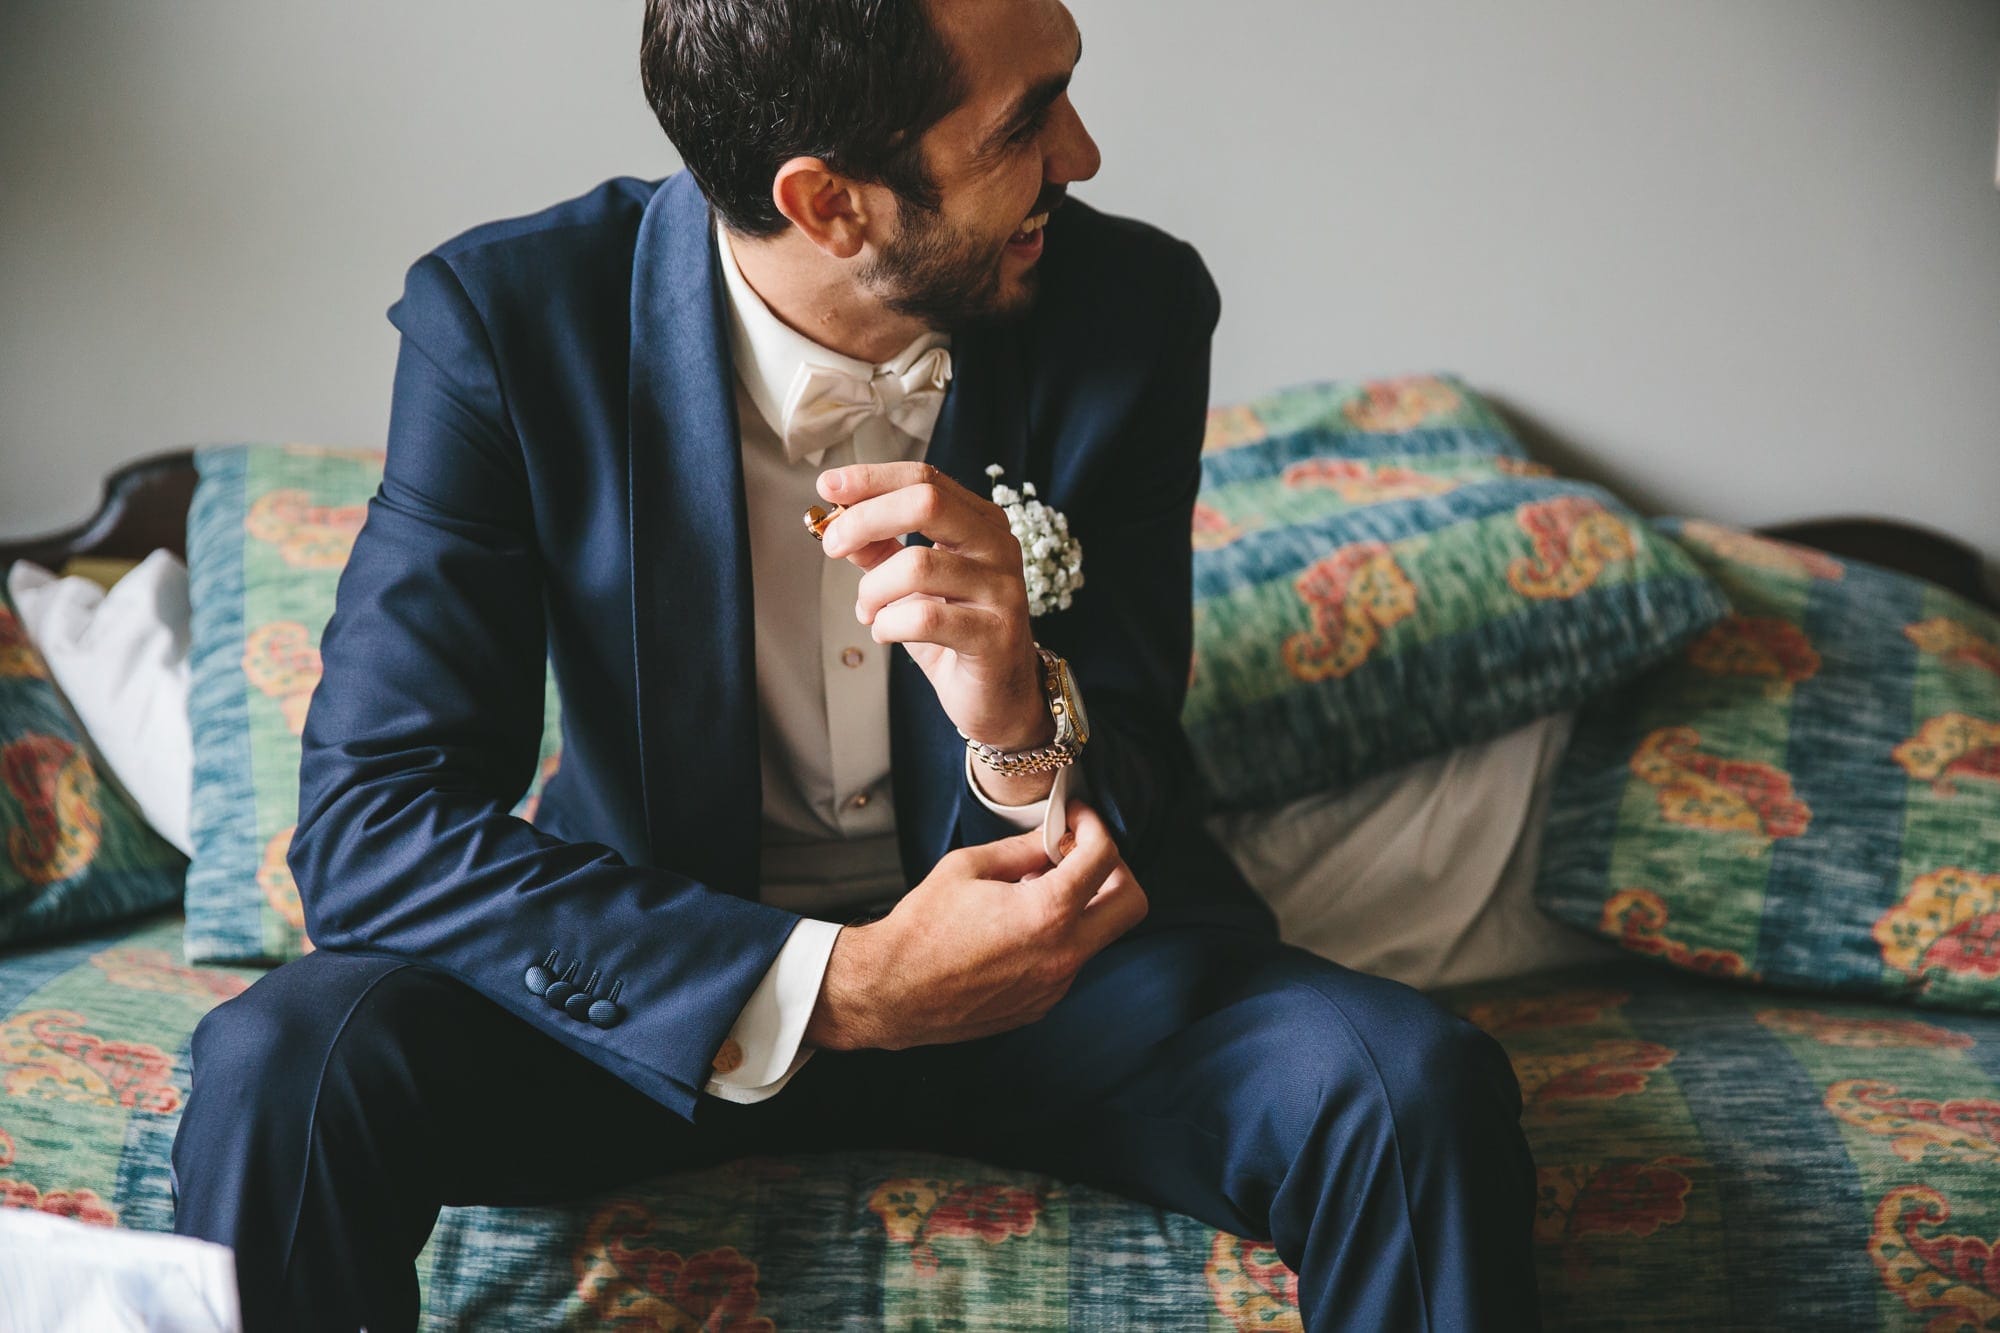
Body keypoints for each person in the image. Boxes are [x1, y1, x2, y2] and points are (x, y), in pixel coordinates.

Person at [169, 1, 1543, 1328]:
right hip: (670, 992)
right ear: (833, 203)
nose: (1083, 154)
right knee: (283, 1062)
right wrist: (843, 982)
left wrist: (1018, 714)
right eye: (1026, 124)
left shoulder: (1131, 305)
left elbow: (1136, 760)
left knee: (1406, 1083)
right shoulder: (509, 325)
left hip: (1058, 992)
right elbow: (371, 832)